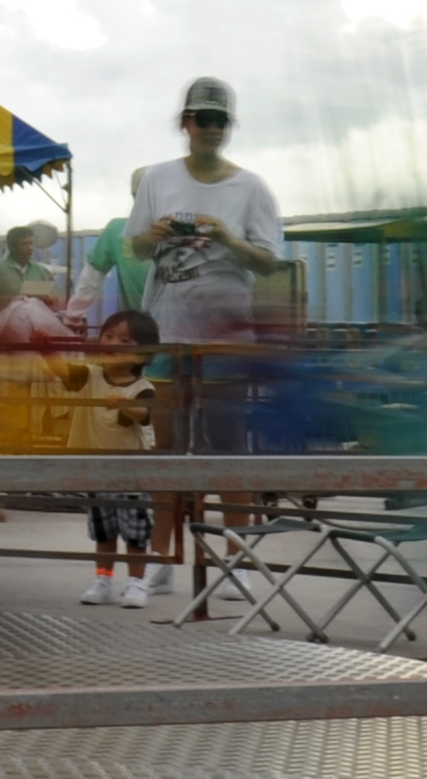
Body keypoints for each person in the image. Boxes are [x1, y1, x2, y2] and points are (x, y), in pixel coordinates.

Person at [131, 78, 287, 604]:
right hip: (168, 334)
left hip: (225, 339)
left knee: (227, 453)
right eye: (202, 118)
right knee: (167, 455)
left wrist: (225, 237)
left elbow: (270, 260)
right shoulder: (156, 178)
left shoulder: (253, 189)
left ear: (229, 127)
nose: (210, 128)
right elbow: (134, 247)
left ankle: (236, 561)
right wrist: (155, 234)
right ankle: (160, 560)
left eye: (219, 119)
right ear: (185, 123)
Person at [73, 307, 159, 604]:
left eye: (125, 341)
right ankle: (103, 580)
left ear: (141, 356)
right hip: (98, 468)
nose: (112, 343)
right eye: (108, 335)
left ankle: (137, 582)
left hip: (132, 472)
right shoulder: (91, 375)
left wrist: (122, 403)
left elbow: (142, 413)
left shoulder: (143, 387)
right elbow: (63, 374)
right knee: (103, 531)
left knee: (135, 533)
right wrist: (46, 352)